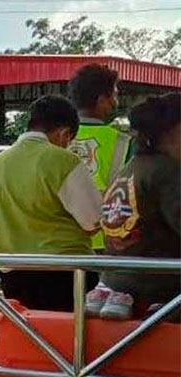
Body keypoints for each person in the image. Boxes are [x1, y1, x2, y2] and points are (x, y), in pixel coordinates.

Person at [0, 95, 102, 312]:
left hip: (14, 278)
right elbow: (93, 220)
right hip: (67, 275)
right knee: (70, 343)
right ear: (64, 133)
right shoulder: (63, 161)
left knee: (28, 342)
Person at [87, 93, 180, 320]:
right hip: (161, 289)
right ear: (171, 131)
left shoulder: (129, 168)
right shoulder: (167, 171)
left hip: (116, 283)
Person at [68, 63, 134, 252]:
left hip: (61, 247)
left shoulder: (56, 137)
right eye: (113, 95)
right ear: (101, 100)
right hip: (107, 244)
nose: (115, 102)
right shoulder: (124, 142)